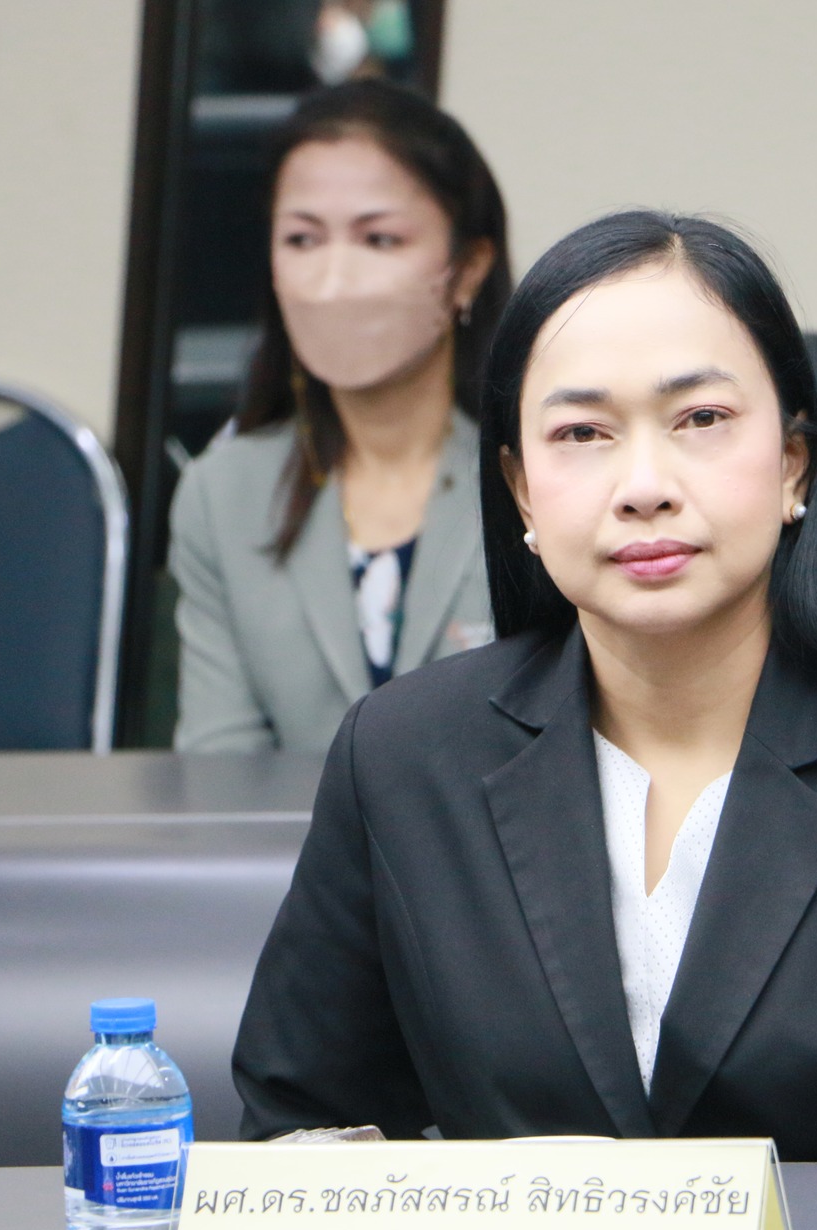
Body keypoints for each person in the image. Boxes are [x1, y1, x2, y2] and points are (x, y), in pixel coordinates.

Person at [232, 211, 817, 1160]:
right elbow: (300, 1134)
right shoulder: (403, 757)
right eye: (581, 432)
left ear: (793, 463)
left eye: (701, 420)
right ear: (520, 491)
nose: (644, 485)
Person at [171, 79, 508, 753]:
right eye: (302, 239)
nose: (333, 281)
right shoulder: (223, 493)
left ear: (467, 268)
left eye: (379, 239)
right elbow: (217, 770)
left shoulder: (536, 480)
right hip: (275, 829)